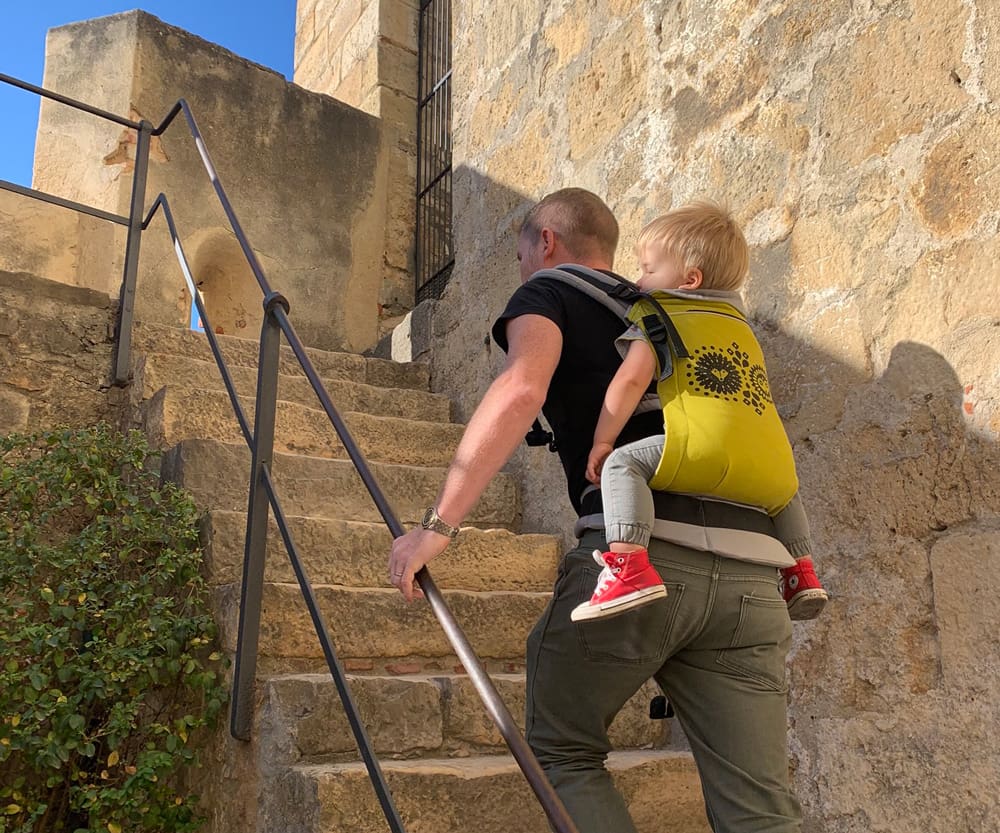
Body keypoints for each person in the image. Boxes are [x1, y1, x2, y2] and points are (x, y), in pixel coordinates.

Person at [388, 187, 803, 833]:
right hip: (752, 574)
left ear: (544, 242)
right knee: (761, 811)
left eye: (522, 254)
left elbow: (522, 386)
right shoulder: (692, 307)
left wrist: (437, 527)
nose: (524, 268)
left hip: (641, 551)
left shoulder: (548, 290)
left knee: (563, 749)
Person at [573, 201, 828, 622]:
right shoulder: (741, 326)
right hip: (771, 463)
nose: (638, 280)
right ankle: (801, 570)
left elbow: (630, 383)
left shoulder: (661, 317)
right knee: (784, 491)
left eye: (649, 270)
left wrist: (602, 441)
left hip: (702, 449)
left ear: (690, 280)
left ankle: (629, 566)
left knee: (623, 464)